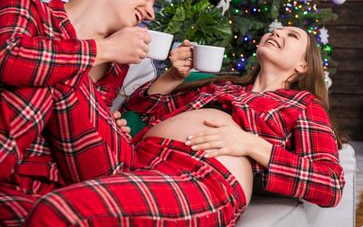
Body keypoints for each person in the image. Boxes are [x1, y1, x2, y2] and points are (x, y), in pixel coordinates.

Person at [24, 27, 345, 226]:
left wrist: (249, 144)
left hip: (201, 178)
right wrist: (172, 76)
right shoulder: (219, 86)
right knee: (21, 207)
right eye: (276, 30)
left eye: (292, 36)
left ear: (303, 66)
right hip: (138, 159)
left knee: (58, 211)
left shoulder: (301, 104)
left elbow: (329, 184)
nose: (277, 33)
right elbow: (141, 110)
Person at [0, 0, 161, 225]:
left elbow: (104, 168)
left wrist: (110, 127)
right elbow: (8, 58)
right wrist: (103, 50)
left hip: (56, 202)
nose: (151, 13)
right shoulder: (27, 6)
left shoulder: (116, 70)